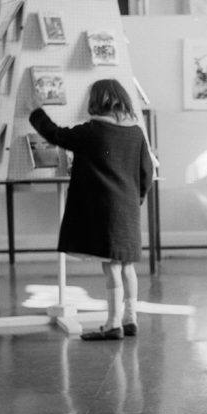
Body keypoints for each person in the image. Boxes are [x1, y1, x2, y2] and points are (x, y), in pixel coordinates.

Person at [29, 78, 155, 340]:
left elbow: (56, 134)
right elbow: (147, 172)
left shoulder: (91, 131)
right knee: (127, 266)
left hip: (105, 210)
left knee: (111, 267)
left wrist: (36, 112)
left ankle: (112, 324)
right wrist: (137, 198)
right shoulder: (136, 132)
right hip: (129, 209)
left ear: (97, 102)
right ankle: (130, 318)